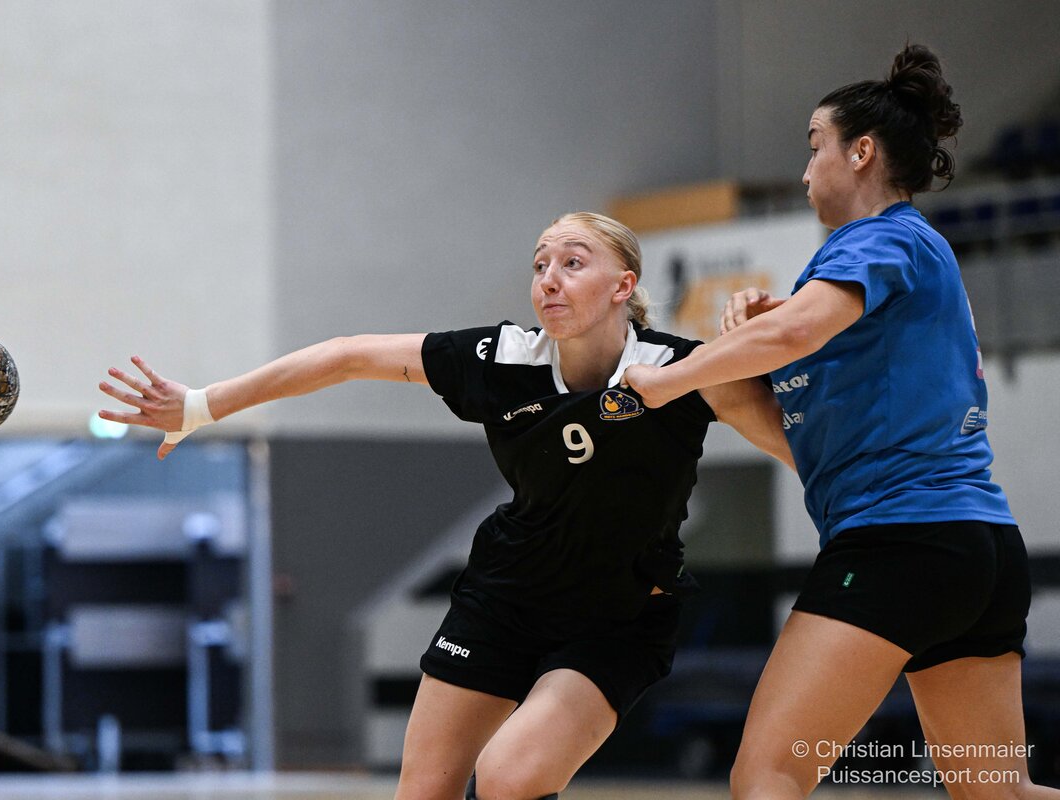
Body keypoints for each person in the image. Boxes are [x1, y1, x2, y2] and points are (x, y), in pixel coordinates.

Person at [99, 211, 793, 799]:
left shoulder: (685, 369)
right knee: (423, 792)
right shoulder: (501, 358)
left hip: (619, 617)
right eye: (539, 264)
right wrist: (201, 404)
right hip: (506, 598)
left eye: (572, 262)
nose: (548, 278)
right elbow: (346, 355)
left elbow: (794, 445)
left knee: (508, 777)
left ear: (624, 286)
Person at [622, 45, 1056, 799]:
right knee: (998, 793)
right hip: (973, 550)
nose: (804, 172)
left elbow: (793, 333)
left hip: (900, 547)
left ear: (861, 153)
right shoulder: (867, 274)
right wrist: (727, 371)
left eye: (814, 146)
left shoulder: (883, 237)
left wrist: (667, 381)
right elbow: (803, 441)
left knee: (768, 776)